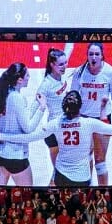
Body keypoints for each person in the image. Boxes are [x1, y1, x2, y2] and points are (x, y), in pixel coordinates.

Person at [0, 90, 112, 187]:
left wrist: (2, 135)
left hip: (61, 175)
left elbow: (29, 137)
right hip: (82, 177)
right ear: (80, 107)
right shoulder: (88, 123)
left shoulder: (55, 123)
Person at [0, 62, 48, 186]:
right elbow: (28, 128)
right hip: (16, 157)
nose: (29, 77)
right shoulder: (17, 98)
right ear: (20, 80)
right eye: (27, 75)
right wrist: (42, 108)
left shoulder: (2, 92)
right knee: (26, 196)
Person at [69, 42, 112, 185]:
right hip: (84, 118)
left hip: (102, 119)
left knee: (100, 158)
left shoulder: (110, 73)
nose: (94, 57)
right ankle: (89, 188)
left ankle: (103, 191)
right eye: (91, 54)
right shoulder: (79, 72)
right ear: (87, 56)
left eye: (97, 54)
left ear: (102, 55)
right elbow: (73, 95)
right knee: (85, 156)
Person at [37, 48, 69, 184]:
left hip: (65, 128)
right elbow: (34, 108)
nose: (64, 66)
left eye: (65, 63)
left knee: (61, 172)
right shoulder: (46, 85)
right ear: (52, 64)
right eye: (61, 64)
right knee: (58, 172)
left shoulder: (62, 77)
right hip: (54, 131)